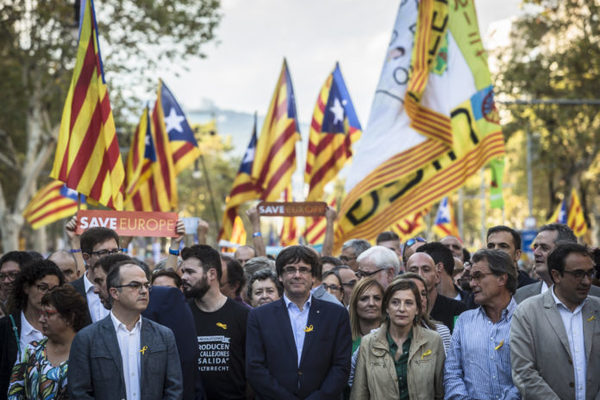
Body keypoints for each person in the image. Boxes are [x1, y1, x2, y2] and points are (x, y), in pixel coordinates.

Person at [246, 245, 351, 399]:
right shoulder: (259, 316)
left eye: (303, 269)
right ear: (280, 277)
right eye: (290, 270)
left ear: (314, 277)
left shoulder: (336, 314)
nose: (297, 275)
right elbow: (255, 367)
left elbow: (341, 366)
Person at [68, 259, 183, 399]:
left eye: (147, 285)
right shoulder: (87, 338)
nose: (144, 291)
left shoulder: (164, 336)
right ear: (115, 293)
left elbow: (174, 389)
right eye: (135, 285)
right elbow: (79, 392)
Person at [510, 243, 600, 399]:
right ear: (556, 275)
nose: (586, 281)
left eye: (590, 273)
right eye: (578, 274)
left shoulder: (597, 308)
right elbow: (523, 371)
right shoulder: (528, 312)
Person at [444, 249, 520, 399]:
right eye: (471, 278)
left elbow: (530, 374)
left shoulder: (526, 320)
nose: (472, 284)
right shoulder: (464, 321)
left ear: (502, 279)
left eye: (478, 277)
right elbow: (452, 372)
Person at [351, 279, 445, 400]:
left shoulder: (433, 340)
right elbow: (359, 393)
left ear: (417, 309)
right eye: (395, 302)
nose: (402, 309)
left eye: (409, 303)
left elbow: (440, 392)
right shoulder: (368, 342)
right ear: (386, 308)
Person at [181, 245, 249, 400]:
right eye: (183, 271)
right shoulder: (182, 315)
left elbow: (252, 370)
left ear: (211, 274)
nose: (184, 277)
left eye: (190, 272)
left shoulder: (243, 315)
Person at [8, 285, 90, 399]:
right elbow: (14, 392)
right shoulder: (31, 350)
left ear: (69, 317)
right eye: (41, 314)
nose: (41, 320)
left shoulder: (87, 353)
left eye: (48, 314)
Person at [0, 260, 64, 400]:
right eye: (43, 287)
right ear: (26, 288)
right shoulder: (5, 327)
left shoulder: (65, 327)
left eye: (54, 290)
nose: (48, 295)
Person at [514, 223, 600, 303]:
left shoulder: (596, 296)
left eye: (544, 248)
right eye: (535, 247)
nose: (536, 253)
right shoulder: (519, 297)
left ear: (565, 252)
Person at [71, 227, 121, 322]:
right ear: (87, 258)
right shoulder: (70, 292)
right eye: (103, 253)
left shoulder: (127, 289)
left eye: (114, 252)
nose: (111, 257)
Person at [415, 244, 467, 331]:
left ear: (438, 269)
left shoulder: (467, 305)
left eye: (425, 269)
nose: (419, 275)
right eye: (413, 270)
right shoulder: (404, 309)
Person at [395, 273, 451, 352]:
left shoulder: (441, 332)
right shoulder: (377, 335)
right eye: (415, 293)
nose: (421, 298)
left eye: (423, 294)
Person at [349, 277, 384, 353]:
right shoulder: (344, 340)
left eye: (377, 298)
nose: (371, 303)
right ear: (355, 304)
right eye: (364, 299)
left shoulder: (393, 338)